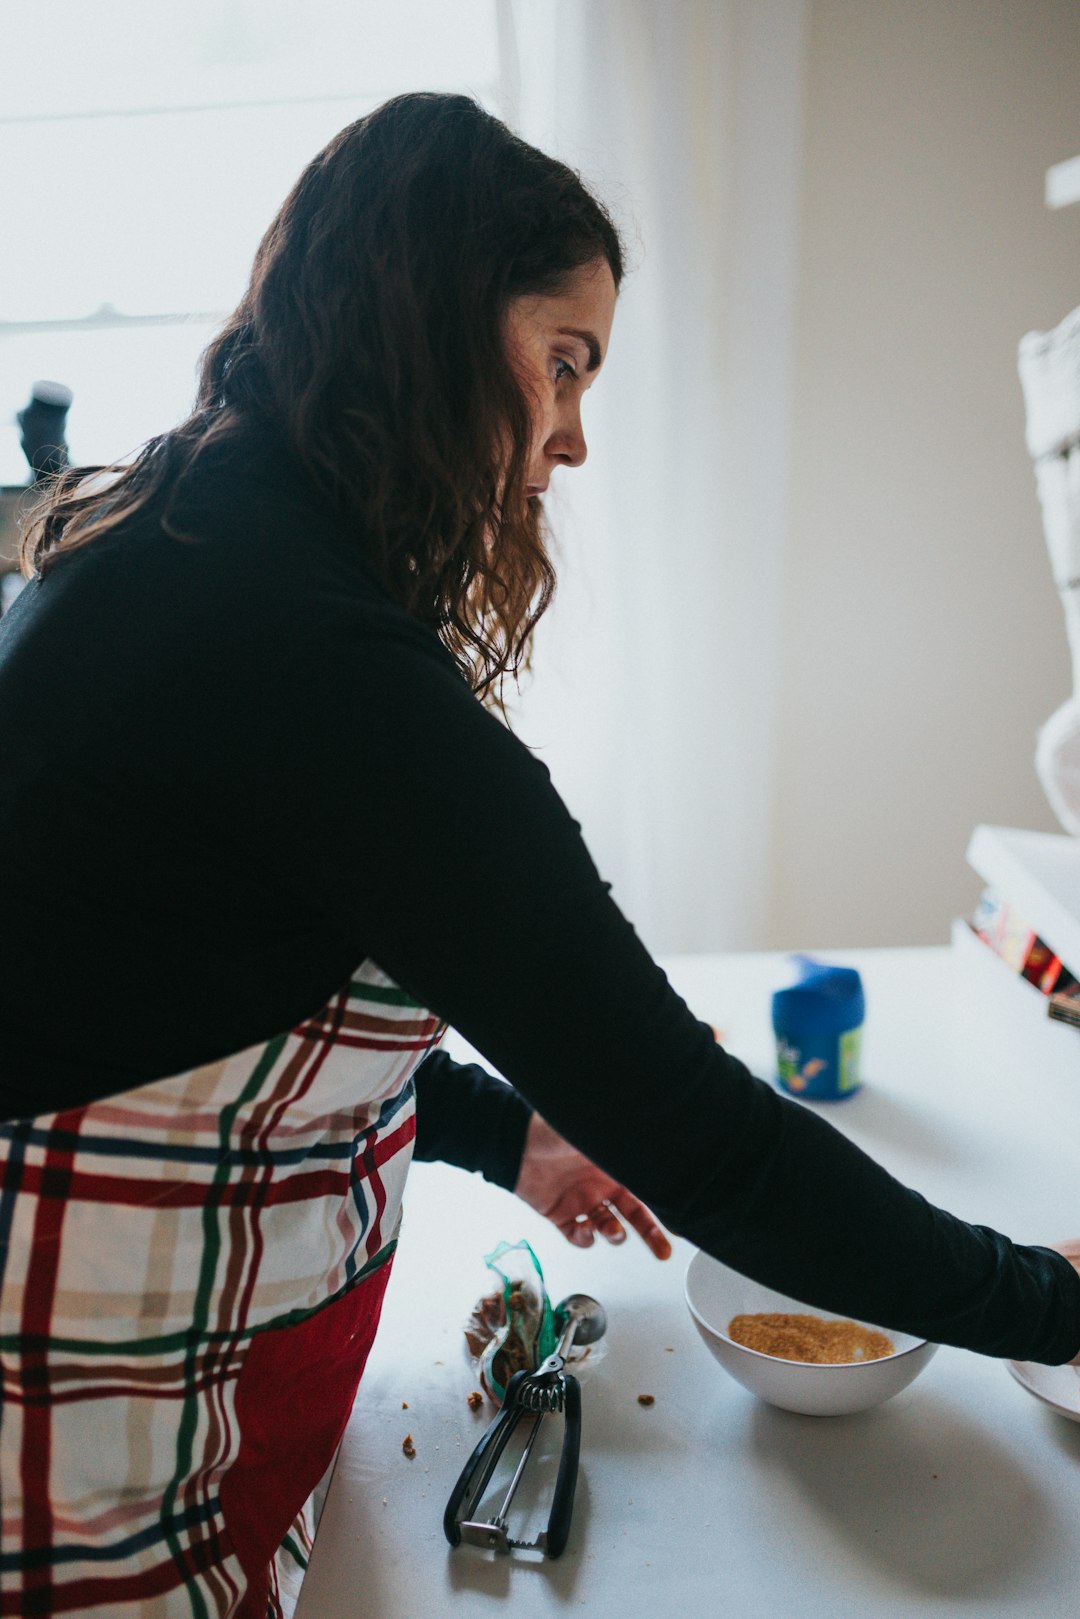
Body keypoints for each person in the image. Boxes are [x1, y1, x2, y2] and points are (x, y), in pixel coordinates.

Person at [0, 91, 1076, 1618]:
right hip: (75, 1443)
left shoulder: (204, 530)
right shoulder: (310, 653)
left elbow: (167, 999)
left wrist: (514, 1138)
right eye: (563, 362)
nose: (572, 437)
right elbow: (708, 1138)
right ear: (429, 315)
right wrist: (1050, 1297)